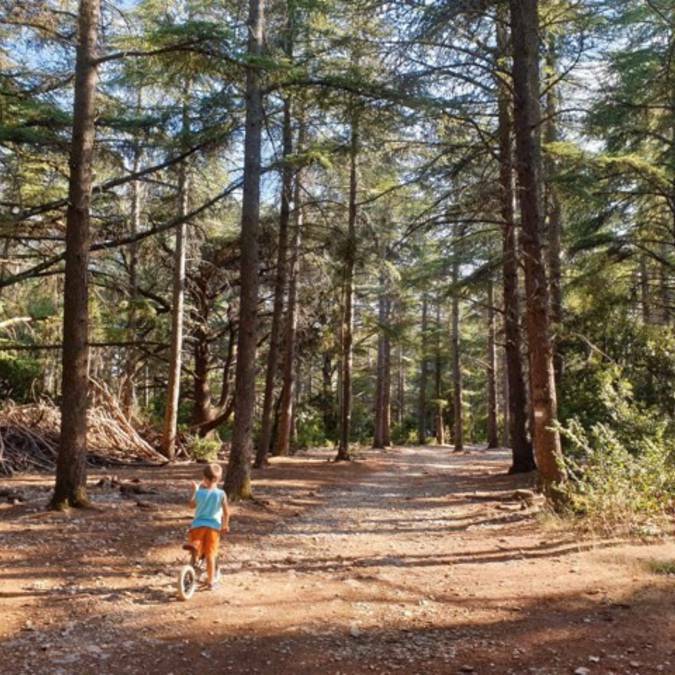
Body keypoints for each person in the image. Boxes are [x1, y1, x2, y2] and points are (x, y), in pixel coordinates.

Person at [187, 463, 230, 589]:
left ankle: (195, 557)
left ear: (204, 479)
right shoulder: (221, 494)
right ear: (219, 479)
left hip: (197, 526)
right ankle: (211, 582)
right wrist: (225, 525)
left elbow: (191, 505)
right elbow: (226, 512)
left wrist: (195, 491)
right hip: (213, 528)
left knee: (197, 547)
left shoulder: (200, 493)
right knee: (211, 554)